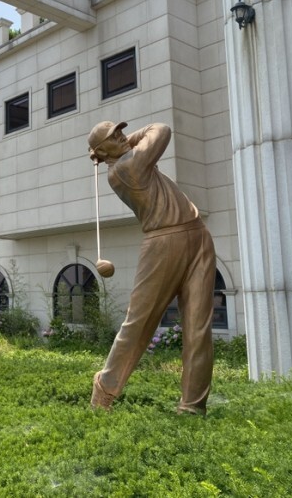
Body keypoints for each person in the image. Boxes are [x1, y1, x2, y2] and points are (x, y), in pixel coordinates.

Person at [87, 121, 216, 415]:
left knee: (199, 326)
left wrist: (121, 142)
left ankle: (192, 405)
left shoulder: (128, 158)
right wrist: (130, 141)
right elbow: (162, 129)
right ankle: (105, 388)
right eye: (112, 137)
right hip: (163, 242)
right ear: (101, 151)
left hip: (197, 234)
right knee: (140, 322)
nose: (120, 137)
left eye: (120, 131)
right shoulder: (125, 167)